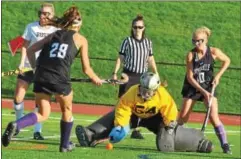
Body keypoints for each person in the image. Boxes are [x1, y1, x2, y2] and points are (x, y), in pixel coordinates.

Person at [2, 6, 103, 152]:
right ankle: (64, 145)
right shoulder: (81, 39)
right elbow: (86, 69)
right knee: (67, 109)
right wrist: (96, 78)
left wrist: (36, 68)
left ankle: (17, 125)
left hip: (41, 77)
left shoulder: (54, 34)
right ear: (79, 24)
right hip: (60, 79)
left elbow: (30, 50)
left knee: (43, 113)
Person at [75, 72, 213, 153]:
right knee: (113, 118)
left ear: (155, 89)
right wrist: (121, 125)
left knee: (166, 143)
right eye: (143, 89)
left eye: (149, 91)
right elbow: (122, 108)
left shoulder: (162, 95)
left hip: (156, 119)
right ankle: (90, 134)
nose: (145, 93)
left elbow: (169, 110)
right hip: (135, 116)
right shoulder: (133, 92)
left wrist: (169, 126)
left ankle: (199, 142)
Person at [178, 26, 231, 154]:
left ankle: (225, 144)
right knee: (183, 117)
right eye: (194, 41)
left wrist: (217, 76)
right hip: (193, 86)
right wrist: (203, 92)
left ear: (206, 40)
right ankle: (175, 139)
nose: (197, 44)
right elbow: (190, 77)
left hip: (208, 86)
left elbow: (227, 61)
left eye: (199, 41)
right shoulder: (191, 55)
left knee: (213, 117)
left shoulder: (213, 52)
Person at [13, 3, 59, 140]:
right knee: (18, 98)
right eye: (42, 13)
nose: (43, 15)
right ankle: (18, 125)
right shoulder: (31, 27)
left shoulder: (56, 30)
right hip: (28, 66)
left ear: (52, 15)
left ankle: (37, 131)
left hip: (44, 69)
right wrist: (22, 63)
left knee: (40, 102)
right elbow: (24, 46)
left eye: (47, 13)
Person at [111, 14, 158, 139]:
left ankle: (136, 129)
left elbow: (150, 59)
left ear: (144, 28)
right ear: (132, 28)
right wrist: (115, 73)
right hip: (128, 75)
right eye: (135, 27)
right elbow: (120, 58)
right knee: (122, 100)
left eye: (140, 27)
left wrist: (156, 73)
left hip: (142, 77)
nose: (137, 29)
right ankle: (118, 125)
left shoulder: (148, 42)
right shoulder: (127, 41)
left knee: (140, 103)